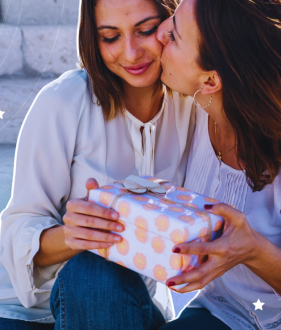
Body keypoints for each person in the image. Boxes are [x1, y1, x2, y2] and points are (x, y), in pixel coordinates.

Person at [0, 0, 197, 329]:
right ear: (92, 39)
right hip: (30, 313)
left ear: (172, 22)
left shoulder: (192, 105)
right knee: (94, 270)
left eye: (145, 31)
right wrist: (73, 235)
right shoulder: (62, 101)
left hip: (129, 304)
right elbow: (18, 228)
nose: (131, 53)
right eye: (110, 37)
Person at [154, 0, 281, 329]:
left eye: (176, 36)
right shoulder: (191, 112)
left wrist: (253, 250)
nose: (161, 31)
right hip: (217, 312)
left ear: (210, 81)